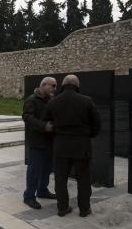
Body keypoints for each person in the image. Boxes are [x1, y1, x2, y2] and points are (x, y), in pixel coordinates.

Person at [43, 74, 101, 217]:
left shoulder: (53, 102)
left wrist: (56, 136)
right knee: (83, 179)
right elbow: (97, 123)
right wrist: (88, 135)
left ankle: (62, 208)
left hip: (61, 146)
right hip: (82, 146)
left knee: (60, 179)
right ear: (77, 86)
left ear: (63, 85)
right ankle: (84, 209)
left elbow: (46, 123)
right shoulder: (87, 101)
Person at [22, 77, 57, 209]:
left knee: (47, 169)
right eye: (52, 85)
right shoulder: (31, 100)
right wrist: (44, 126)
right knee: (34, 170)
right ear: (43, 85)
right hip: (37, 142)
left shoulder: (51, 100)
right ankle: (29, 196)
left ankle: (42, 190)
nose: (54, 88)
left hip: (49, 142)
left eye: (55, 86)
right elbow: (27, 117)